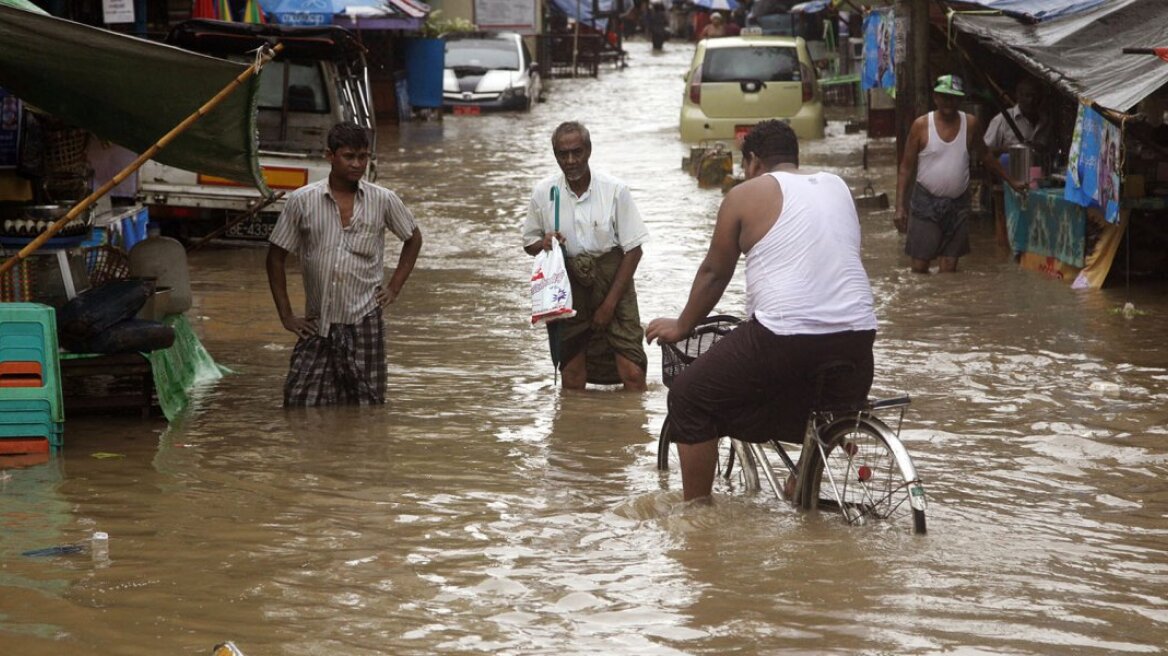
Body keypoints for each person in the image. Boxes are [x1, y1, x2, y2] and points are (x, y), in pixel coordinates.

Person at [645, 120, 878, 501]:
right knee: (823, 408)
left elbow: (715, 273)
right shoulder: (837, 187)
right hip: (859, 338)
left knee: (688, 397)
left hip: (784, 338)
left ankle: (698, 516)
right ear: (794, 156)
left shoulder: (745, 194)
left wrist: (682, 325)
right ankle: (801, 479)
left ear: (753, 162)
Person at [266, 122, 423, 406]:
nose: (357, 164)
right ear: (330, 156)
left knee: (368, 405)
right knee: (299, 403)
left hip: (364, 320)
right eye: (349, 156)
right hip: (317, 323)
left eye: (363, 157)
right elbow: (275, 257)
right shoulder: (302, 201)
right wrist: (286, 315)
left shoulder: (383, 200)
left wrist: (394, 288)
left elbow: (413, 239)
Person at [523, 121, 649, 392]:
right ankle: (575, 431)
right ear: (555, 155)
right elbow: (529, 243)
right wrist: (544, 243)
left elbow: (634, 250)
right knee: (571, 372)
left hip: (614, 280)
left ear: (589, 150)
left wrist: (609, 305)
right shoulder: (544, 193)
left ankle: (632, 431)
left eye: (577, 152)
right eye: (563, 154)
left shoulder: (615, 191)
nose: (571, 161)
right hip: (567, 287)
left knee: (633, 371)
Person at [894, 74, 1026, 274]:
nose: (949, 102)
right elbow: (905, 168)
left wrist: (1011, 181)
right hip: (926, 202)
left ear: (960, 99)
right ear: (935, 97)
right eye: (945, 97)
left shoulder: (970, 124)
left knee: (949, 269)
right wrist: (899, 207)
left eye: (954, 97)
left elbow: (986, 156)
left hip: (958, 205)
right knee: (920, 267)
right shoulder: (921, 125)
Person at [983, 78, 1050, 248]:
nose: (1031, 100)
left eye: (1034, 96)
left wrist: (1037, 147)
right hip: (1010, 178)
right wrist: (1009, 149)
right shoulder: (1002, 120)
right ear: (1017, 96)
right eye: (1026, 95)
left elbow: (1047, 148)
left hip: (1036, 179)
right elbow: (985, 152)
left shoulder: (1044, 121)